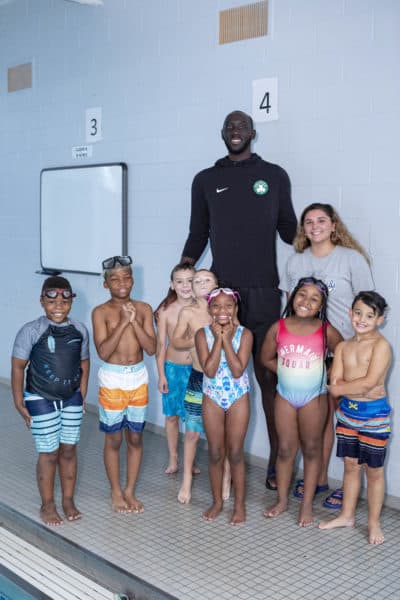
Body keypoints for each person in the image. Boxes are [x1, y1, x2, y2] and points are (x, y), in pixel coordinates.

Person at [181, 110, 297, 490]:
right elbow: (197, 234)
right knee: (217, 376)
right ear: (222, 133)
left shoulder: (275, 176)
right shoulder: (205, 180)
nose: (235, 131)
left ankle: (277, 467)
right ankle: (220, 463)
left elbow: (290, 232)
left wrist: (326, 244)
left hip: (264, 292)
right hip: (223, 296)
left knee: (267, 379)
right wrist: (180, 275)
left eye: (241, 126)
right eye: (229, 127)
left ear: (252, 133)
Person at [280, 203, 374, 508]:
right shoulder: (295, 262)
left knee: (347, 420)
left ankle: (350, 489)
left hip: (344, 352)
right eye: (308, 221)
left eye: (321, 220)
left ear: (334, 225)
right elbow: (288, 308)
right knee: (318, 420)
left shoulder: (350, 260)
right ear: (303, 229)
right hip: (308, 356)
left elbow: (368, 306)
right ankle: (317, 479)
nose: (315, 226)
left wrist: (364, 350)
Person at [261, 278, 342, 526]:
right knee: (285, 449)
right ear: (292, 296)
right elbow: (266, 358)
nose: (306, 301)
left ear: (321, 306)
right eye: (301, 295)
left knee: (311, 449)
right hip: (285, 396)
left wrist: (329, 376)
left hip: (314, 399)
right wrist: (286, 371)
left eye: (314, 298)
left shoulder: (325, 330)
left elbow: (344, 354)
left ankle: (306, 505)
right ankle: (283, 500)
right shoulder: (279, 327)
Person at [11, 276, 90, 526]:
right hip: (40, 397)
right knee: (49, 453)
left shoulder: (79, 329)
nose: (58, 305)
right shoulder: (31, 330)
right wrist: (18, 402)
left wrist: (82, 395)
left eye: (64, 299)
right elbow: (17, 368)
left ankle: (67, 500)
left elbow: (84, 364)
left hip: (72, 399)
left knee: (69, 449)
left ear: (71, 301)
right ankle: (47, 504)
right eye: (51, 299)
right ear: (42, 301)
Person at [319, 291, 391, 545]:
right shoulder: (343, 346)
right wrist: (347, 387)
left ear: (380, 319)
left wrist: (345, 387)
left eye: (369, 315)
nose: (362, 319)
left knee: (374, 471)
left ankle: (373, 523)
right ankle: (347, 515)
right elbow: (334, 383)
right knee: (350, 466)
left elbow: (369, 383)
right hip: (348, 414)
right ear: (350, 313)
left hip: (374, 417)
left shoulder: (381, 346)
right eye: (358, 313)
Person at [92, 255, 156, 513]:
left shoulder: (144, 309)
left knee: (137, 437)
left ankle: (129, 489)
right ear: (106, 284)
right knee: (114, 438)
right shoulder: (101, 312)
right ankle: (116, 491)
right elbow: (104, 352)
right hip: (113, 377)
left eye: (126, 277)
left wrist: (134, 321)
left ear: (133, 279)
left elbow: (151, 348)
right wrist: (122, 323)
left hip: (138, 376)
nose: (122, 283)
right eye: (115, 279)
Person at [196, 288, 253, 525]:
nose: (222, 311)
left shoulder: (245, 334)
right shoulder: (201, 334)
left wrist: (227, 340)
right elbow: (209, 370)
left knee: (236, 453)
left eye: (228, 306)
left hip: (238, 396)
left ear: (236, 309)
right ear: (209, 310)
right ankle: (218, 501)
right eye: (217, 306)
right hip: (212, 396)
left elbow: (238, 370)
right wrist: (218, 339)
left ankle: (239, 505)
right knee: (216, 452)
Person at [170, 269, 219, 503]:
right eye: (196, 280)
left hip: (222, 380)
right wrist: (199, 338)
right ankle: (186, 480)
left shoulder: (224, 307)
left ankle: (225, 477)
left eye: (206, 279)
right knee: (191, 432)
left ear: (216, 284)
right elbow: (176, 340)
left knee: (223, 435)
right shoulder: (188, 313)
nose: (200, 283)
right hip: (198, 378)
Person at [155, 262, 195, 474]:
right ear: (172, 285)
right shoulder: (166, 311)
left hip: (195, 371)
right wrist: (161, 374)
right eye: (180, 282)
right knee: (172, 416)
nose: (185, 286)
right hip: (173, 369)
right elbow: (161, 346)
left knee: (193, 418)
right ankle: (173, 458)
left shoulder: (203, 308)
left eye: (190, 281)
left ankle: (191, 458)